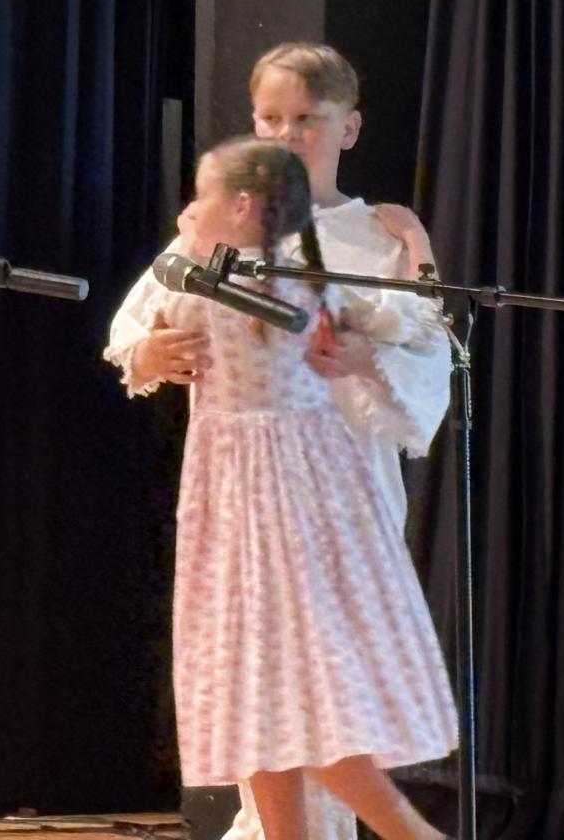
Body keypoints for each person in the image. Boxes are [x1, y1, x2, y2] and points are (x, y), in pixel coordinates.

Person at [127, 42, 454, 839]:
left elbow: (422, 340)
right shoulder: (215, 232)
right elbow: (140, 322)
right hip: (237, 493)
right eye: (271, 119)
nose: (287, 134)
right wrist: (148, 353)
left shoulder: (368, 236)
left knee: (321, 683)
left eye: (307, 119)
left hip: (336, 486)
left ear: (348, 128)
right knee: (257, 675)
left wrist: (409, 263)